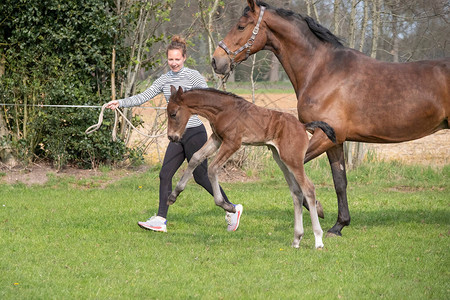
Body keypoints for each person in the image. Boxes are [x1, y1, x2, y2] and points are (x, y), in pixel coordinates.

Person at [106, 35, 243, 233]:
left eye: (177, 59)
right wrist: (120, 102)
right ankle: (161, 219)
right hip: (177, 135)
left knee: (201, 176)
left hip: (195, 132)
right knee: (165, 174)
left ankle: (231, 209)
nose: (174, 63)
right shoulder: (164, 79)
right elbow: (144, 96)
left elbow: (210, 99)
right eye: (171, 59)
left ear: (184, 58)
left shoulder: (194, 76)